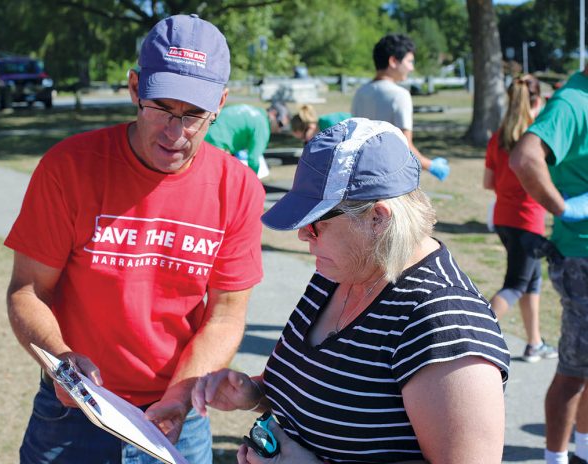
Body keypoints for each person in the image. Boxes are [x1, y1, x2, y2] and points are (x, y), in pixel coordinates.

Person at [4, 14, 265, 464]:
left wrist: (181, 397)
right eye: (161, 107)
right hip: (73, 413)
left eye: (193, 115)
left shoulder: (237, 187)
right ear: (134, 89)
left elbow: (224, 315)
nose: (175, 131)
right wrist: (64, 361)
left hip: (179, 415)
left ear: (220, 103)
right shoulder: (69, 167)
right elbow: (29, 290)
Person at [193, 118, 510, 463]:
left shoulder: (445, 323)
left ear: (378, 218)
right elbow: (332, 400)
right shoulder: (342, 271)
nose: (303, 235)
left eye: (317, 223)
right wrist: (255, 394)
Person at [509, 65, 588, 464]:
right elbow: (524, 158)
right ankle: (555, 459)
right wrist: (563, 208)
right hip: (582, 258)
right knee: (574, 372)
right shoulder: (573, 102)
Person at [482, 74, 557, 362]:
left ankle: (534, 343)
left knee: (531, 281)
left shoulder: (497, 138)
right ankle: (474, 332)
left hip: (504, 219)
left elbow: (488, 182)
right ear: (536, 102)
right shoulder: (535, 141)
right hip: (527, 221)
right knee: (515, 283)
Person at [351, 33, 449, 181]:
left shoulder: (360, 92)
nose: (411, 68)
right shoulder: (399, 95)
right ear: (393, 61)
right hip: (389, 177)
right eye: (409, 61)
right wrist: (431, 165)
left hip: (361, 175)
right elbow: (404, 146)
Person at [204, 101, 290, 178]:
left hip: (205, 132)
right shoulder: (263, 125)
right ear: (273, 113)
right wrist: (253, 183)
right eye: (281, 124)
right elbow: (253, 159)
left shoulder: (254, 111)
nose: (279, 130)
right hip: (218, 142)